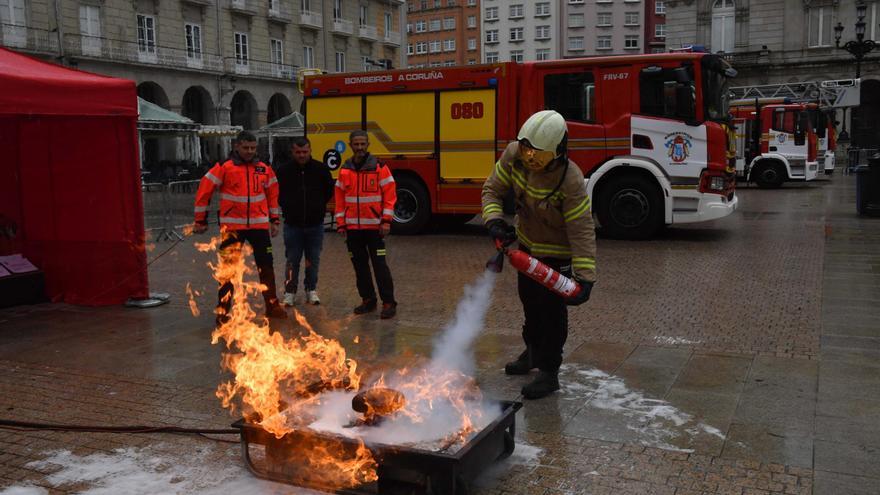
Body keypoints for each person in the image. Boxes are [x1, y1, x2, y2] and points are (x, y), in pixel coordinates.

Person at [481, 110, 597, 400]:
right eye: (526, 150)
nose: (530, 160)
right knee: (530, 305)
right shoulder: (514, 155)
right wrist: (494, 221)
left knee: (551, 314)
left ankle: (549, 371)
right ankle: (531, 353)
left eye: (539, 155)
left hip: (557, 255)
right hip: (528, 246)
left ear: (558, 151)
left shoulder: (570, 180)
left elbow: (581, 230)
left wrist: (585, 278)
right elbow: (492, 190)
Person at [193, 130, 287, 324]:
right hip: (232, 228)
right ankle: (223, 311)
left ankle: (272, 305)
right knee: (227, 271)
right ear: (236, 146)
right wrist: (200, 220)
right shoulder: (224, 167)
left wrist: (274, 220)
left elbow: (273, 195)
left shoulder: (264, 169)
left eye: (253, 148)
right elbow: (205, 188)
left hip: (260, 227)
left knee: (266, 267)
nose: (249, 151)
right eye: (246, 148)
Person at [334, 130, 398, 319]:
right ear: (351, 145)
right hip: (353, 230)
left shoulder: (379, 167)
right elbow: (339, 199)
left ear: (368, 145)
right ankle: (368, 300)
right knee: (360, 267)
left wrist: (386, 221)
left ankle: (388, 302)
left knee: (380, 266)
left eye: (363, 144)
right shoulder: (345, 170)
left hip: (375, 229)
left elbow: (390, 196)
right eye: (356, 144)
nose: (360, 148)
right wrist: (341, 224)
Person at [274, 137, 334, 306]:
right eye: (298, 152)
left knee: (313, 260)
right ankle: (290, 292)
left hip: (315, 225)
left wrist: (318, 205)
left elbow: (329, 190)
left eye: (304, 152)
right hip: (293, 225)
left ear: (310, 150)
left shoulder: (321, 169)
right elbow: (276, 193)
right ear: (292, 152)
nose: (301, 155)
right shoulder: (283, 171)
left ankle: (311, 289)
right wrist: (287, 205)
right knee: (292, 260)